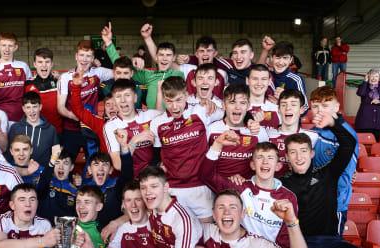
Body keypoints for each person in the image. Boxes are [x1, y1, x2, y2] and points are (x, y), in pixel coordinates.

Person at [280, 91, 378, 248]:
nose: (299, 156)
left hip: (329, 241)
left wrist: (333, 121)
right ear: (287, 157)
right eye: (293, 152)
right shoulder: (281, 184)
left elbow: (348, 143)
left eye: (303, 151)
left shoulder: (328, 174)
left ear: (312, 153)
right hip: (300, 245)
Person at [149, 76, 222, 223]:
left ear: (187, 96)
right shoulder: (157, 123)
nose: (174, 106)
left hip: (201, 187)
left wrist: (213, 104)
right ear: (163, 98)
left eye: (178, 100)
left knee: (204, 237)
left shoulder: (201, 111)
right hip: (173, 188)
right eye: (169, 101)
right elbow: (156, 156)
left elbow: (228, 116)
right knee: (174, 236)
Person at [105, 23, 189, 109]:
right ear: (156, 57)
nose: (164, 58)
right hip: (152, 119)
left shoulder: (178, 74)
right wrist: (108, 43)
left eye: (168, 55)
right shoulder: (148, 75)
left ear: (174, 57)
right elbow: (121, 66)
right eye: (161, 55)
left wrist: (148, 38)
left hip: (171, 118)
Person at [311, 87, 359, 236]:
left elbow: (345, 174)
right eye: (315, 106)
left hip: (334, 204)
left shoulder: (346, 134)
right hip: (312, 202)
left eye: (325, 106)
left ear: (337, 107)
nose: (319, 111)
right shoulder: (313, 131)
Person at [58, 39, 113, 159]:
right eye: (82, 55)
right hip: (72, 129)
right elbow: (61, 107)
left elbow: (120, 71)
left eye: (88, 56)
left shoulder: (98, 73)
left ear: (93, 58)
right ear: (76, 56)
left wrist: (109, 46)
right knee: (67, 165)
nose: (84, 59)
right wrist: (79, 117)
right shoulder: (66, 77)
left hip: (91, 129)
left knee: (95, 164)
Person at [208, 83, 268, 179]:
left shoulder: (258, 132)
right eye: (232, 102)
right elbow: (205, 163)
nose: (237, 107)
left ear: (248, 106)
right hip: (216, 188)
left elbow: (264, 163)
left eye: (242, 103)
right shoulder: (211, 129)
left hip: (246, 190)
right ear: (223, 105)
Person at [102, 79, 160, 174]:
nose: (123, 100)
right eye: (118, 96)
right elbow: (118, 165)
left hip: (154, 176)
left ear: (135, 98)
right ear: (114, 101)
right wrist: (134, 140)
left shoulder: (151, 115)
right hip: (132, 180)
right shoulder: (111, 126)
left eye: (127, 95)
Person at [267, 89, 318, 177]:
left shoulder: (313, 136)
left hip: (298, 187)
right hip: (273, 186)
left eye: (293, 104)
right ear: (278, 109)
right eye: (283, 105)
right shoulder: (267, 135)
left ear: (301, 110)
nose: (288, 108)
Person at [0, 33, 33, 122]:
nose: (7, 49)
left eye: (10, 46)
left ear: (15, 47)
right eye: (4, 45)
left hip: (22, 117)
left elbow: (30, 92)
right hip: (0, 117)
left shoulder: (23, 66)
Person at [8, 91, 60, 166]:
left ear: (40, 107)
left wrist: (49, 169)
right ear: (23, 109)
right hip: (20, 172)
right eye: (28, 107)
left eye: (35, 106)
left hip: (42, 173)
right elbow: (9, 153)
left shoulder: (51, 129)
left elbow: (56, 152)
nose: (31, 111)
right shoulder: (15, 128)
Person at [36, 145, 79, 222]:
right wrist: (52, 161)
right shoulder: (46, 181)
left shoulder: (75, 191)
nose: (61, 167)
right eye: (57, 162)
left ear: (71, 167)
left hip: (64, 231)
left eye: (65, 163)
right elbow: (41, 186)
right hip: (43, 230)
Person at [25, 48, 61, 134]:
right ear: (35, 64)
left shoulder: (59, 82)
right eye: (40, 62)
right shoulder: (28, 84)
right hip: (36, 132)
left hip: (58, 132)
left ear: (52, 64)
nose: (44, 65)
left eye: (47, 62)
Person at [269, 41, 308, 114]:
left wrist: (283, 98)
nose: (281, 62)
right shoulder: (266, 77)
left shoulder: (296, 79)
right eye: (278, 57)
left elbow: (304, 107)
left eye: (285, 58)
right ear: (271, 58)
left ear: (290, 60)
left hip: (289, 124)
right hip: (268, 122)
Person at [354, 69, 380, 141]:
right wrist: (365, 82)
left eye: (376, 76)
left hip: (378, 121)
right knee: (363, 141)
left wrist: (379, 101)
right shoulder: (363, 86)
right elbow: (360, 93)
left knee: (377, 142)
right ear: (368, 77)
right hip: (364, 120)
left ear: (379, 78)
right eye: (372, 76)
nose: (374, 78)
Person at [247, 64, 280, 129]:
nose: (259, 83)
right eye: (255, 79)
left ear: (269, 81)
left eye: (264, 79)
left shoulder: (277, 110)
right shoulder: (238, 108)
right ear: (247, 81)